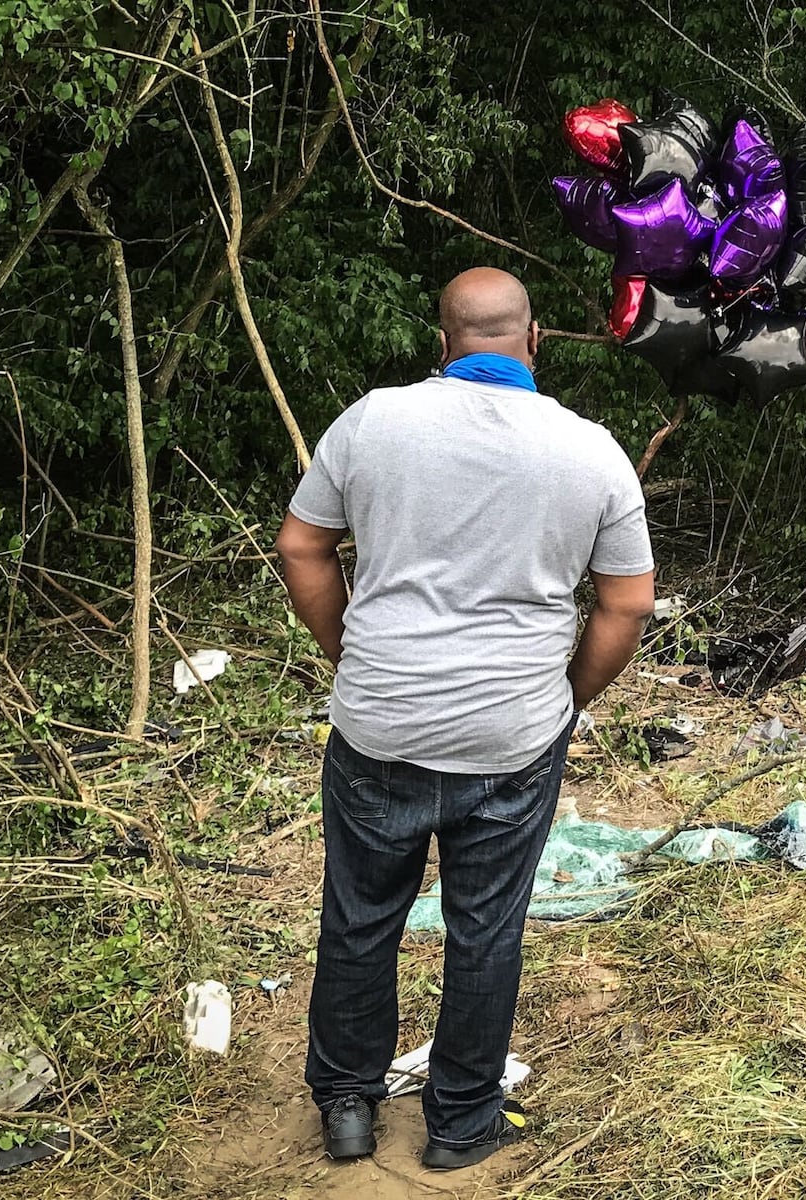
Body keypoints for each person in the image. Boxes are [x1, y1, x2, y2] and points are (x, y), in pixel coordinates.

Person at [275, 267, 655, 1171]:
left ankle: (347, 1105)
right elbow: (628, 604)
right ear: (534, 341)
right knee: (487, 927)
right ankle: (459, 1124)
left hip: (379, 725)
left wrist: (349, 654)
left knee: (362, 914)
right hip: (512, 736)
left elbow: (303, 546)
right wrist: (568, 696)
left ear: (441, 345)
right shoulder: (590, 450)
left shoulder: (371, 422)